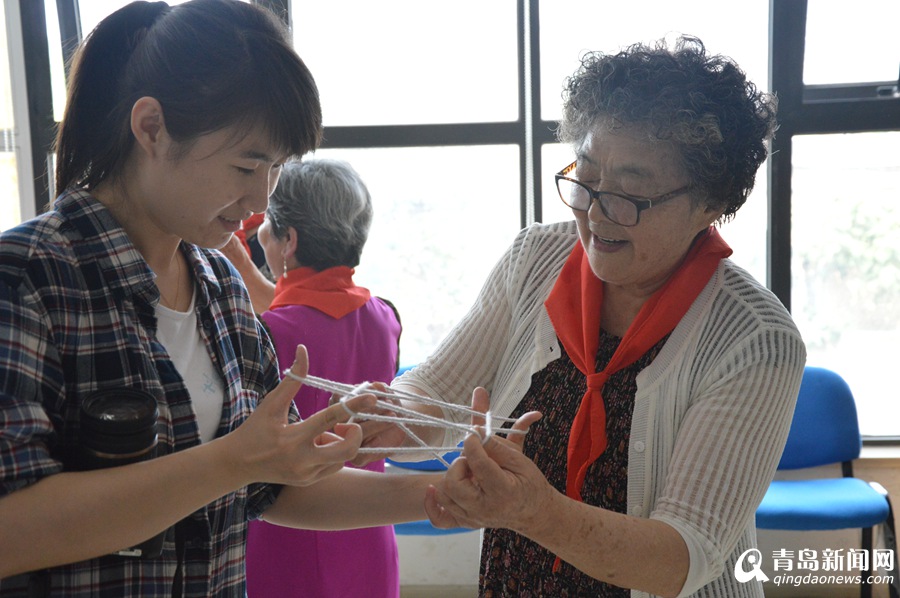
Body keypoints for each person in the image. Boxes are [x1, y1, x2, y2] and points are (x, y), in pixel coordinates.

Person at [0, 2, 483, 595]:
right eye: (245, 165)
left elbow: (269, 489)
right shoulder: (26, 279)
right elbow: (12, 528)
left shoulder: (223, 289)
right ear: (151, 127)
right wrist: (236, 460)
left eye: (276, 167)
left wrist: (444, 495)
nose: (260, 199)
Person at [359, 36, 807, 597]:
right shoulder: (535, 261)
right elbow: (440, 394)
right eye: (586, 178)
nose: (595, 214)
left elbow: (684, 556)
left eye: (630, 195)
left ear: (711, 204)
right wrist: (380, 416)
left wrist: (537, 512)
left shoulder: (754, 339)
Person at [240, 159, 404, 598]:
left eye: (269, 226)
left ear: (289, 241)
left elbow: (284, 316)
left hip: (290, 541)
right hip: (369, 536)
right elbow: (299, 305)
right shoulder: (385, 318)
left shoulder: (268, 333)